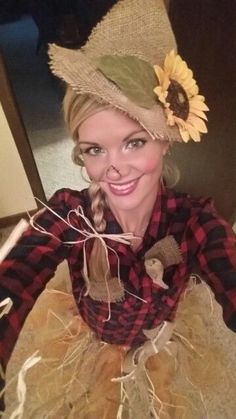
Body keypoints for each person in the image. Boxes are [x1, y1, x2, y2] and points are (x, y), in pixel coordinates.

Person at [1, 0, 236, 417]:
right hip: (93, 335)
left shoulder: (194, 219)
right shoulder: (69, 212)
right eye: (94, 149)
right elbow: (19, 270)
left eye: (135, 142)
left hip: (157, 338)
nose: (114, 167)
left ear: (166, 138)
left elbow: (227, 264)